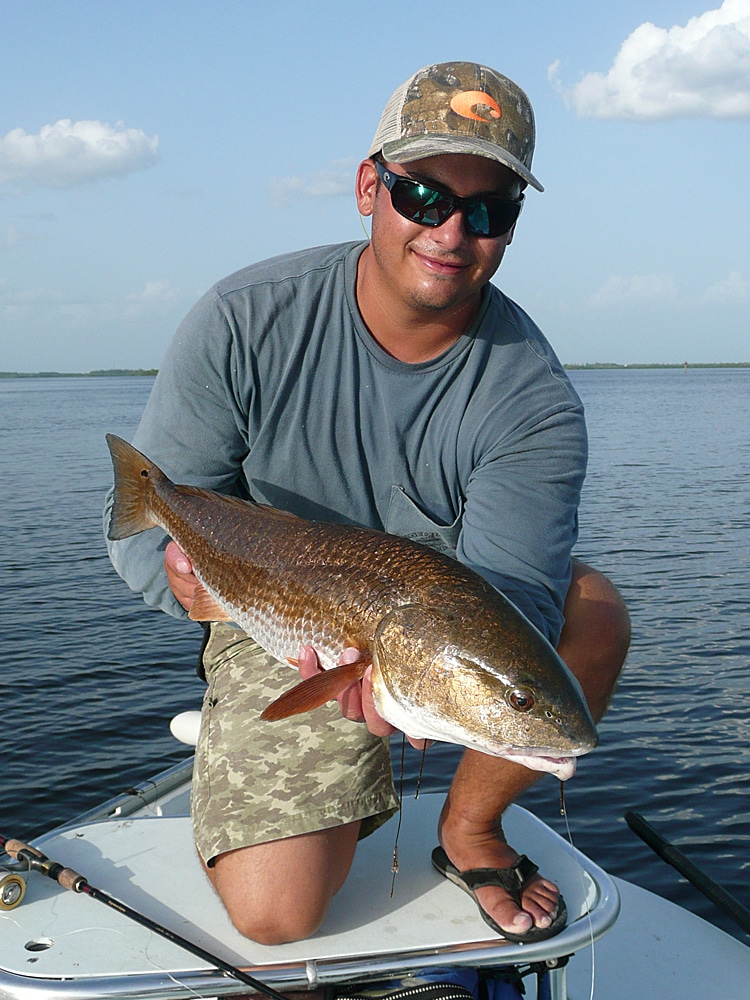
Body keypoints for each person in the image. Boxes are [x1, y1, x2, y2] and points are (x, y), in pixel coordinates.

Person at [105, 61, 630, 947]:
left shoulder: (534, 399)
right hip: (277, 607)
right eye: (424, 195)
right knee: (276, 917)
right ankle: (317, 780)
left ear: (511, 228)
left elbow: (524, 599)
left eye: (489, 210)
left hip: (435, 616)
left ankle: (470, 830)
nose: (453, 230)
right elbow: (136, 539)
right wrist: (190, 584)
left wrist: (424, 691)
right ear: (367, 187)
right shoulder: (242, 320)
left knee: (596, 614)